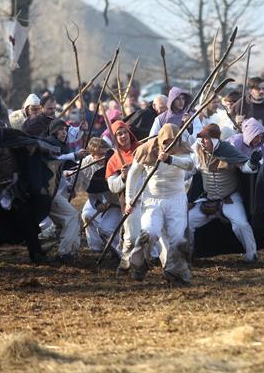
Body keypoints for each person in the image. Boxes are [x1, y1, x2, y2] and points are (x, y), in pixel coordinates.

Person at [0, 115, 60, 265]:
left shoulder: (7, 137)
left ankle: (36, 254)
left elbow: (28, 142)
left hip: (13, 187)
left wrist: (46, 149)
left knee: (26, 216)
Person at [125, 124, 194, 285]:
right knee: (149, 232)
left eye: (173, 141)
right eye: (166, 142)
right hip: (152, 200)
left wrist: (170, 159)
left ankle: (176, 272)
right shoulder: (146, 150)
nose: (169, 145)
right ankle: (139, 266)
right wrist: (130, 200)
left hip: (176, 198)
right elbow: (133, 176)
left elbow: (190, 165)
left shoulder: (183, 148)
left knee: (177, 237)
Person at [188, 124, 262, 262]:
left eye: (206, 139)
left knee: (241, 224)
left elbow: (246, 168)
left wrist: (253, 162)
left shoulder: (228, 150)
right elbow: (189, 169)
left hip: (229, 198)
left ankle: (252, 256)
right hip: (208, 199)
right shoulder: (198, 150)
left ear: (214, 140)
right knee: (186, 221)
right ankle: (189, 254)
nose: (203, 141)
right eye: (202, 138)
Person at [45, 119, 88, 263]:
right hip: (49, 193)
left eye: (65, 130)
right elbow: (55, 161)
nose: (64, 132)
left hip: (55, 192)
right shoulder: (50, 144)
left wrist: (69, 186)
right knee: (71, 217)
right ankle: (65, 252)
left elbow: (61, 171)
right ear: (54, 131)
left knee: (63, 223)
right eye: (60, 130)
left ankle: (42, 247)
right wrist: (75, 156)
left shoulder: (60, 145)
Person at [105, 120, 140, 273]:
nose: (123, 136)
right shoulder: (113, 160)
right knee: (130, 237)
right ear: (115, 138)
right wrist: (123, 177)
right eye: (119, 134)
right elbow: (112, 187)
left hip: (149, 196)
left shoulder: (141, 150)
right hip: (128, 201)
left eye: (124, 132)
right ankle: (125, 263)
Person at [74, 138, 116, 253]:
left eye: (105, 153)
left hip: (115, 196)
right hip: (97, 195)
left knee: (108, 225)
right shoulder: (86, 164)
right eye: (100, 155)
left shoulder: (114, 157)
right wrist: (97, 203)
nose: (104, 157)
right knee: (87, 215)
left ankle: (115, 247)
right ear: (93, 155)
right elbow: (90, 188)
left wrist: (113, 200)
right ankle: (97, 247)